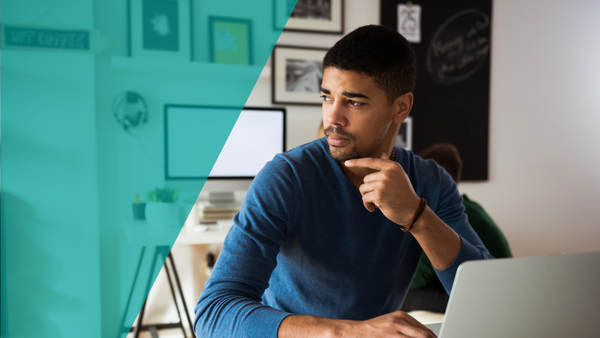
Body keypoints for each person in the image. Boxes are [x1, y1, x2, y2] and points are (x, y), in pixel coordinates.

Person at [194, 25, 492, 338]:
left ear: (401, 107)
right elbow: (214, 313)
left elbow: (489, 296)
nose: (331, 118)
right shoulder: (285, 177)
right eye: (327, 97)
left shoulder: (432, 182)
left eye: (354, 102)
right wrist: (349, 332)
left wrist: (416, 215)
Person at [402, 143, 512, 313]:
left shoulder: (442, 217)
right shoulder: (472, 207)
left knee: (403, 297)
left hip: (490, 296)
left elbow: (417, 277)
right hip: (506, 286)